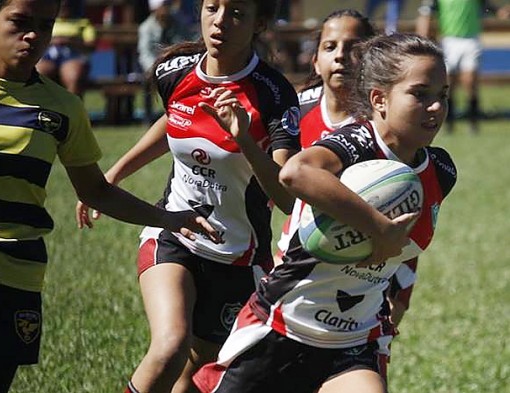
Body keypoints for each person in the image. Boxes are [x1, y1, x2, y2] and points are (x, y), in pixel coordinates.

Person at [0, 1, 219, 392]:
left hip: (13, 272)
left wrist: (166, 218)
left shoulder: (63, 108)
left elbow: (95, 190)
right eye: (20, 22)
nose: (33, 35)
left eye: (44, 26)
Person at [193, 33, 458, 393]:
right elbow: (294, 172)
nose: (436, 108)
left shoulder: (441, 171)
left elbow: (403, 244)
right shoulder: (357, 144)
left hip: (355, 339)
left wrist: (398, 288)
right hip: (282, 325)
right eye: (420, 94)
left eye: (442, 95)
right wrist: (376, 228)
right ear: (379, 99)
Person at [76, 1, 301, 392]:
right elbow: (173, 121)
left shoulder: (274, 95)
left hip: (237, 255)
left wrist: (244, 139)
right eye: (212, 7)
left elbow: (285, 198)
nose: (220, 21)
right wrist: (115, 174)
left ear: (258, 23)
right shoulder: (175, 72)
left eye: (236, 13)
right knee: (169, 347)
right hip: (172, 232)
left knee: (194, 373)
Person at [274, 9, 416, 329]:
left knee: (365, 348)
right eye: (330, 47)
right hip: (302, 255)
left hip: (377, 260)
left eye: (353, 47)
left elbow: (406, 200)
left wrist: (398, 294)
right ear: (315, 61)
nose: (341, 56)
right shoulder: (296, 112)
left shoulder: (385, 122)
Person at [416, 0, 510, 134]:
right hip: (449, 41)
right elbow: (426, 14)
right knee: (448, 85)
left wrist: (501, 12)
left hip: (471, 40)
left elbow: (487, 7)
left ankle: (473, 121)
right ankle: (448, 123)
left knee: (470, 81)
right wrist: (423, 39)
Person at [138, 0, 188, 123]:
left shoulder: (178, 24)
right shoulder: (146, 27)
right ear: (155, 9)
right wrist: (155, 69)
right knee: (147, 80)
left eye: (167, 6)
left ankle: (181, 112)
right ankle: (148, 117)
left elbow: (183, 46)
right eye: (163, 6)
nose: (166, 10)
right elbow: (145, 54)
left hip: (176, 65)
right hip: (153, 67)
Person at [36, 0, 96, 96]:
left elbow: (91, 45)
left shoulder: (83, 23)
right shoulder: (47, 20)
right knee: (38, 75)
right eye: (61, 5)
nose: (64, 7)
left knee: (74, 78)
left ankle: (71, 108)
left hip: (73, 55)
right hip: (48, 54)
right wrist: (54, 41)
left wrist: (69, 41)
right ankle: (41, 107)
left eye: (67, 5)